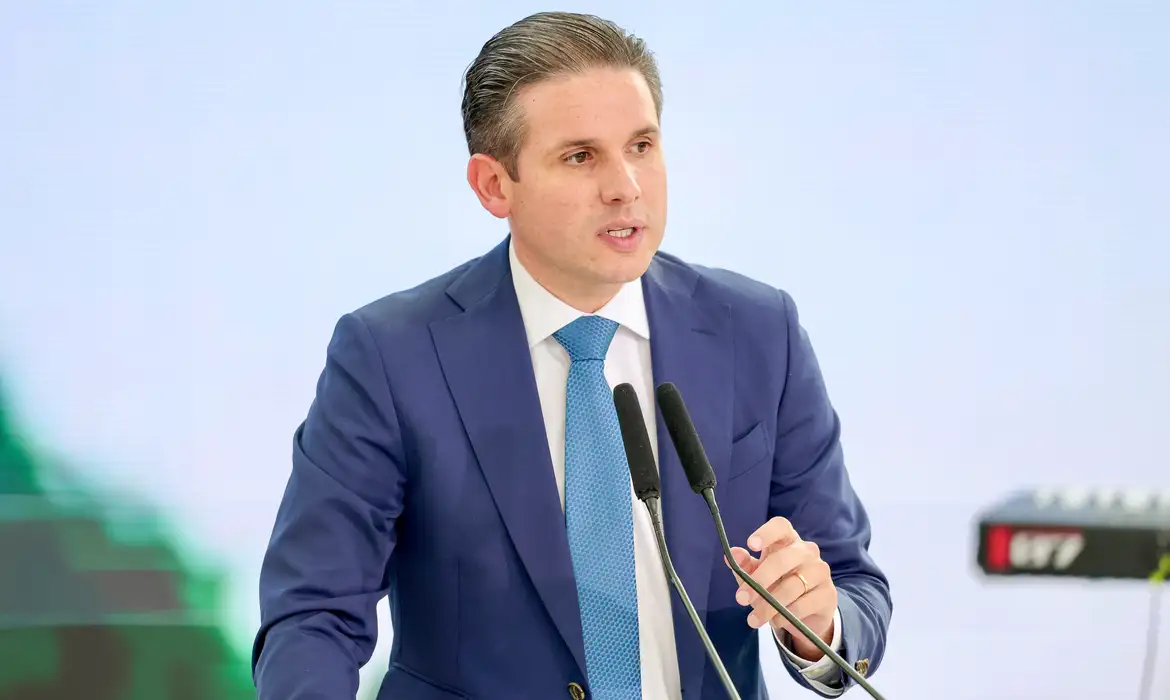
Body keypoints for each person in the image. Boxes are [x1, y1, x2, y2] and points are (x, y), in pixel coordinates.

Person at [252, 11, 891, 700]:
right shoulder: (391, 356)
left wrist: (816, 624)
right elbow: (313, 615)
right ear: (493, 185)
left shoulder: (758, 332)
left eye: (642, 145)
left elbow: (853, 586)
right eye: (581, 156)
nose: (626, 186)